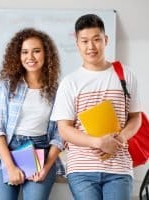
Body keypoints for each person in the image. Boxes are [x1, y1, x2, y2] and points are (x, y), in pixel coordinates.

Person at [51, 14, 142, 200]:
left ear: (105, 40)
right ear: (77, 43)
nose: (91, 46)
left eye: (96, 39)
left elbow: (136, 117)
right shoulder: (70, 83)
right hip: (82, 169)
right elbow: (64, 129)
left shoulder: (125, 75)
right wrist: (98, 143)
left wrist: (120, 138)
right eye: (84, 41)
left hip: (119, 167)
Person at [0, 28, 63, 200]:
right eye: (25, 52)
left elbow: (60, 134)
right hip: (7, 152)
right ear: (18, 56)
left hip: (41, 152)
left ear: (46, 54)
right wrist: (10, 166)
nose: (30, 57)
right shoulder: (7, 86)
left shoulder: (56, 90)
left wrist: (46, 167)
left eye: (36, 51)